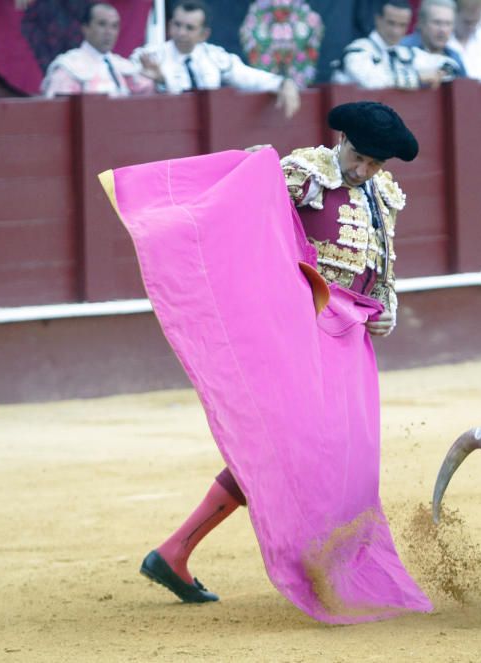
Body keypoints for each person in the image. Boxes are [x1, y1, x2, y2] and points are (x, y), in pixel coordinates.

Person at [139, 101, 419, 604]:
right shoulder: (303, 174)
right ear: (342, 141)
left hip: (347, 338)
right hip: (300, 333)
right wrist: (250, 173)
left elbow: (382, 261)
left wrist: (388, 304)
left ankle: (177, 551)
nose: (363, 170)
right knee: (302, 449)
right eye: (359, 157)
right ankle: (316, 563)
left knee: (321, 452)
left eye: (376, 164)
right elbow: (240, 218)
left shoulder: (383, 195)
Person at [130, 0, 301, 118]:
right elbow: (125, 81)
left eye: (189, 28)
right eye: (177, 24)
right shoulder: (151, 56)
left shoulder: (215, 57)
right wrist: (156, 82)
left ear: (204, 34)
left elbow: (246, 76)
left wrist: (282, 83)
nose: (181, 32)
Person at [332, 0, 457, 89]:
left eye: (402, 25)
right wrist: (418, 77)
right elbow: (371, 81)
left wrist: (439, 74)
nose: (396, 31)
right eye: (391, 23)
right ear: (378, 19)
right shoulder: (358, 50)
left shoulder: (406, 54)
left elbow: (451, 65)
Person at [40, 2, 154, 97]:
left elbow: (146, 104)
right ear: (85, 28)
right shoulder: (68, 68)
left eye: (114, 26)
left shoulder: (122, 67)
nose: (109, 32)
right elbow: (57, 114)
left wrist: (158, 81)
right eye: (102, 24)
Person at [400, 0, 467, 78]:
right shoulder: (402, 50)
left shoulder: (454, 58)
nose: (443, 30)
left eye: (448, 24)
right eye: (437, 23)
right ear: (421, 23)